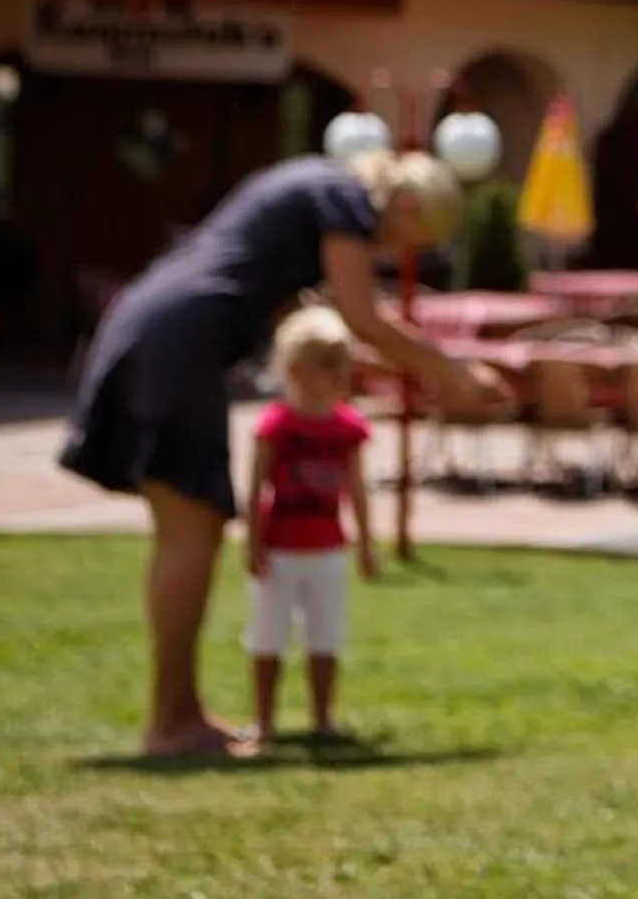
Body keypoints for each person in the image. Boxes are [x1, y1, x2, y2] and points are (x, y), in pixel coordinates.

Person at [59, 148, 503, 757]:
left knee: (195, 526)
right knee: (191, 528)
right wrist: (451, 374)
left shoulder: (312, 187)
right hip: (179, 337)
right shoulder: (340, 197)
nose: (395, 254)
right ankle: (169, 724)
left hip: (161, 327)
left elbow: (326, 326)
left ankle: (181, 713)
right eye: (408, 240)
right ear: (403, 204)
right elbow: (360, 316)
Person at [242, 307, 378, 747]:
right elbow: (255, 488)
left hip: (327, 549)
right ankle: (264, 722)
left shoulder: (348, 428)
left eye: (343, 363)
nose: (339, 374)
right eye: (327, 364)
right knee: (268, 634)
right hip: (280, 549)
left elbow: (357, 490)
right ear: (296, 369)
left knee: (326, 634)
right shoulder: (276, 426)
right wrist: (253, 543)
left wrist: (366, 544)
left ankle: (323, 719)